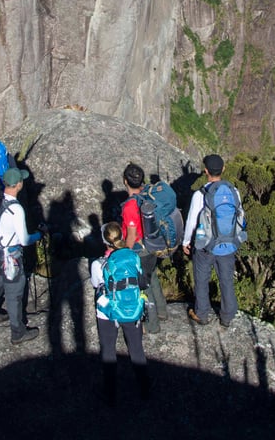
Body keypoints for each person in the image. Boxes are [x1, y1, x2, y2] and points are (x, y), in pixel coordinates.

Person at [0, 166, 42, 344]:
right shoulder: (16, 208)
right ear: (19, 184)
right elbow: (24, 239)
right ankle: (18, 331)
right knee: (14, 292)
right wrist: (39, 234)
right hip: (10, 255)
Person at [91, 221, 149, 407]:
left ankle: (110, 395)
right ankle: (145, 389)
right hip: (132, 309)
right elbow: (140, 280)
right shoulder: (133, 257)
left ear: (104, 241)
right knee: (136, 349)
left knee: (108, 350)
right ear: (122, 237)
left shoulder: (99, 264)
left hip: (107, 313)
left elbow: (96, 284)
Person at [182, 154, 243, 327]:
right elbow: (239, 216)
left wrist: (186, 241)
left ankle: (202, 313)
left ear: (205, 171)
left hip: (205, 246)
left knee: (201, 280)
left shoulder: (201, 195)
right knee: (226, 280)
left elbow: (192, 221)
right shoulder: (234, 191)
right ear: (223, 169)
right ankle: (227, 316)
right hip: (228, 244)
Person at [120, 162, 168, 327]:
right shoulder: (148, 195)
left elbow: (132, 235)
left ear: (125, 181)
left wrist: (125, 253)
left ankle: (152, 325)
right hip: (153, 245)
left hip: (140, 250)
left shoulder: (130, 206)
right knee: (152, 276)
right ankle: (162, 311)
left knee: (143, 285)